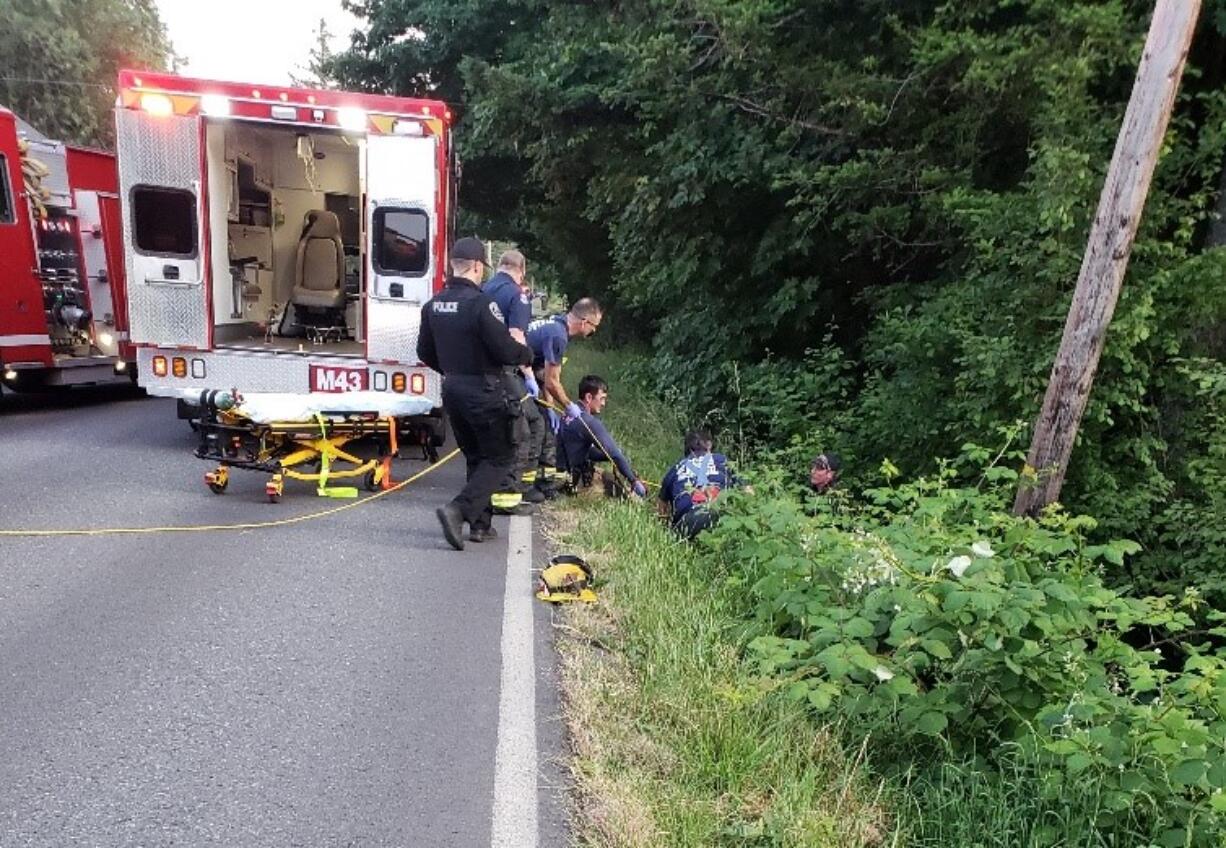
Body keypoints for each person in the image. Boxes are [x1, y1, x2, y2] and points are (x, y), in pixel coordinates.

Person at [417, 237, 533, 551]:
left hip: (452, 389)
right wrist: (526, 354)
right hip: (484, 389)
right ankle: (459, 511)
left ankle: (480, 526)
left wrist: (453, 372)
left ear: (453, 266)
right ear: (478, 267)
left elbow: (423, 351)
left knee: (476, 456)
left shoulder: (433, 306)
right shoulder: (482, 305)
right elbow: (504, 348)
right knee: (500, 456)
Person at [482, 249, 545, 512]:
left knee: (496, 431)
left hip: (480, 371)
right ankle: (511, 494)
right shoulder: (517, 294)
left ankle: (510, 488)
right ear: (522, 271)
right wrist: (530, 375)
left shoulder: (484, 289)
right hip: (505, 371)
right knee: (529, 425)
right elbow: (516, 335)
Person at [525, 297, 603, 485]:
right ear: (584, 322)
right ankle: (526, 485)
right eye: (594, 327)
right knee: (536, 429)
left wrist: (550, 407)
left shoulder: (555, 323)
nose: (593, 331)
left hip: (525, 373)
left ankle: (542, 482)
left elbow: (546, 376)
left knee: (545, 422)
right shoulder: (558, 336)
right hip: (512, 375)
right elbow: (552, 381)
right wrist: (568, 406)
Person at [556, 374, 646, 499]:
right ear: (588, 397)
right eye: (601, 398)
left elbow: (579, 451)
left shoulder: (568, 414)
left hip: (560, 472)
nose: (603, 403)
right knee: (615, 488)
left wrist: (607, 456)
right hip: (571, 480)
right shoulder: (588, 422)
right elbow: (614, 454)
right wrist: (633, 480)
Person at [657, 430, 737, 539]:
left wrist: (666, 528)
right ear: (709, 446)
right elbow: (748, 490)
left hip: (689, 520)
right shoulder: (722, 459)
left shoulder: (676, 468)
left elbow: (662, 509)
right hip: (723, 514)